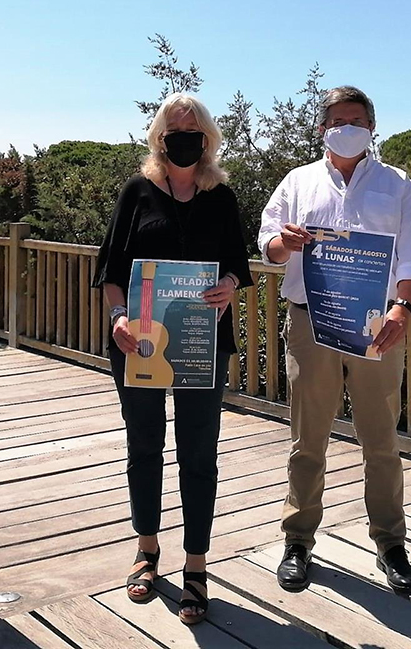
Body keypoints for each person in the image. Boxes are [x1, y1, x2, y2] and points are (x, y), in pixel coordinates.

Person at [258, 85, 411, 594]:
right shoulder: (297, 181)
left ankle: (390, 543)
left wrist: (404, 306)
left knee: (381, 441)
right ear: (322, 128)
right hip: (311, 322)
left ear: (372, 127)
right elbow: (268, 242)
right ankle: (297, 540)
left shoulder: (397, 183)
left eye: (356, 119)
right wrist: (281, 244)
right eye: (338, 120)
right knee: (306, 440)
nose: (347, 127)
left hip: (378, 323)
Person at [93, 92, 254, 625]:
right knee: (144, 444)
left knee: (198, 451)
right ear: (159, 138)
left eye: (193, 131)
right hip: (137, 342)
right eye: (173, 131)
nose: (183, 139)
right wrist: (117, 318)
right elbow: (112, 270)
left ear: (207, 139)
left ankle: (196, 565)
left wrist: (228, 285)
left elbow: (236, 264)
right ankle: (147, 550)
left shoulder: (222, 197)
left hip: (201, 342)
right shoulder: (136, 192)